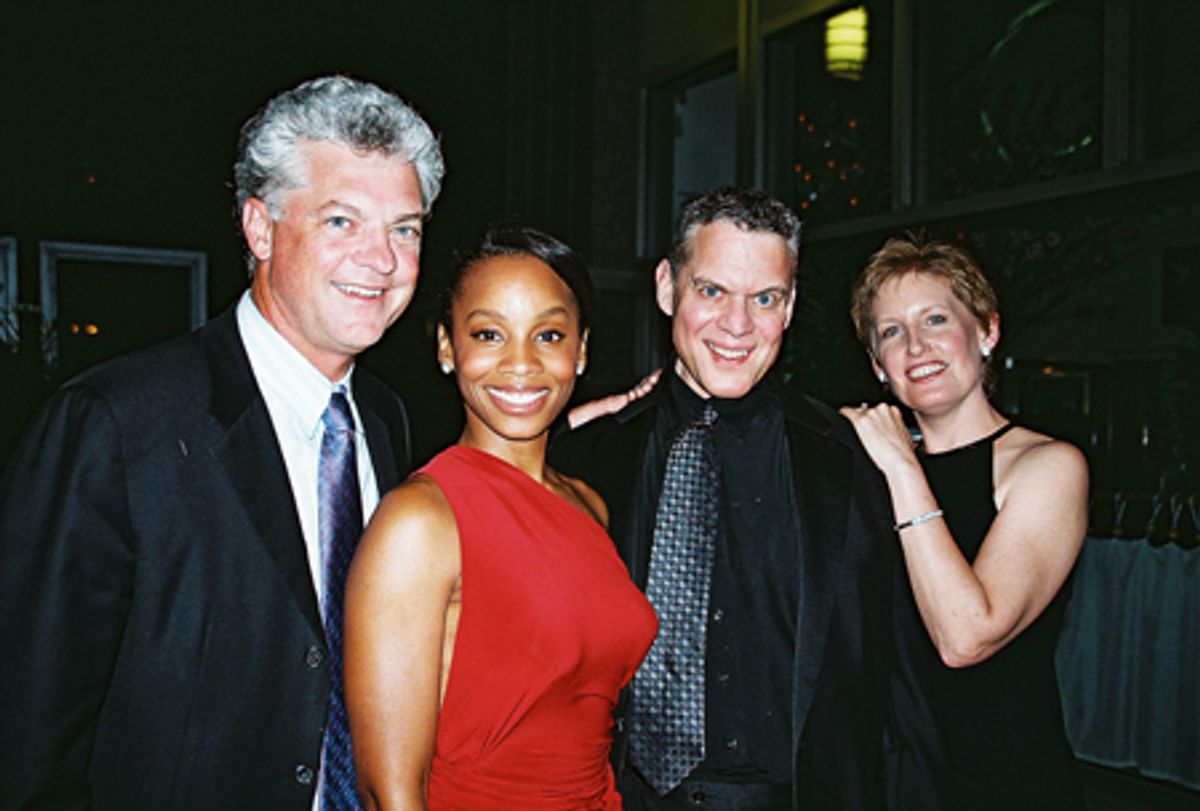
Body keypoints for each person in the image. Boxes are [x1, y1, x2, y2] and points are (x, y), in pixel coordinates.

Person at [0, 75, 444, 810]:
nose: (383, 260)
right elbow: (28, 730)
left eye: (405, 228)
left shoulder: (386, 418)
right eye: (341, 221)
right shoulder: (115, 424)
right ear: (260, 228)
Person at [552, 187, 895, 809]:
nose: (737, 326)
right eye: (711, 291)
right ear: (667, 287)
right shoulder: (586, 457)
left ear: (788, 308)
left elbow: (892, 676)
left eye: (764, 298)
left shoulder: (852, 460)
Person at [345, 225, 656, 810]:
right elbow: (388, 793)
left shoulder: (590, 504)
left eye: (549, 335)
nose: (520, 363)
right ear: (446, 347)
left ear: (581, 350)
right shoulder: (419, 521)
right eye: (489, 333)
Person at [840, 233, 1087, 809]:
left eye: (935, 320)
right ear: (878, 364)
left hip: (1002, 778)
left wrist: (902, 465)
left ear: (987, 331)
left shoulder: (1047, 465)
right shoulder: (865, 465)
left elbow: (967, 636)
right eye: (892, 332)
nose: (916, 346)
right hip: (890, 777)